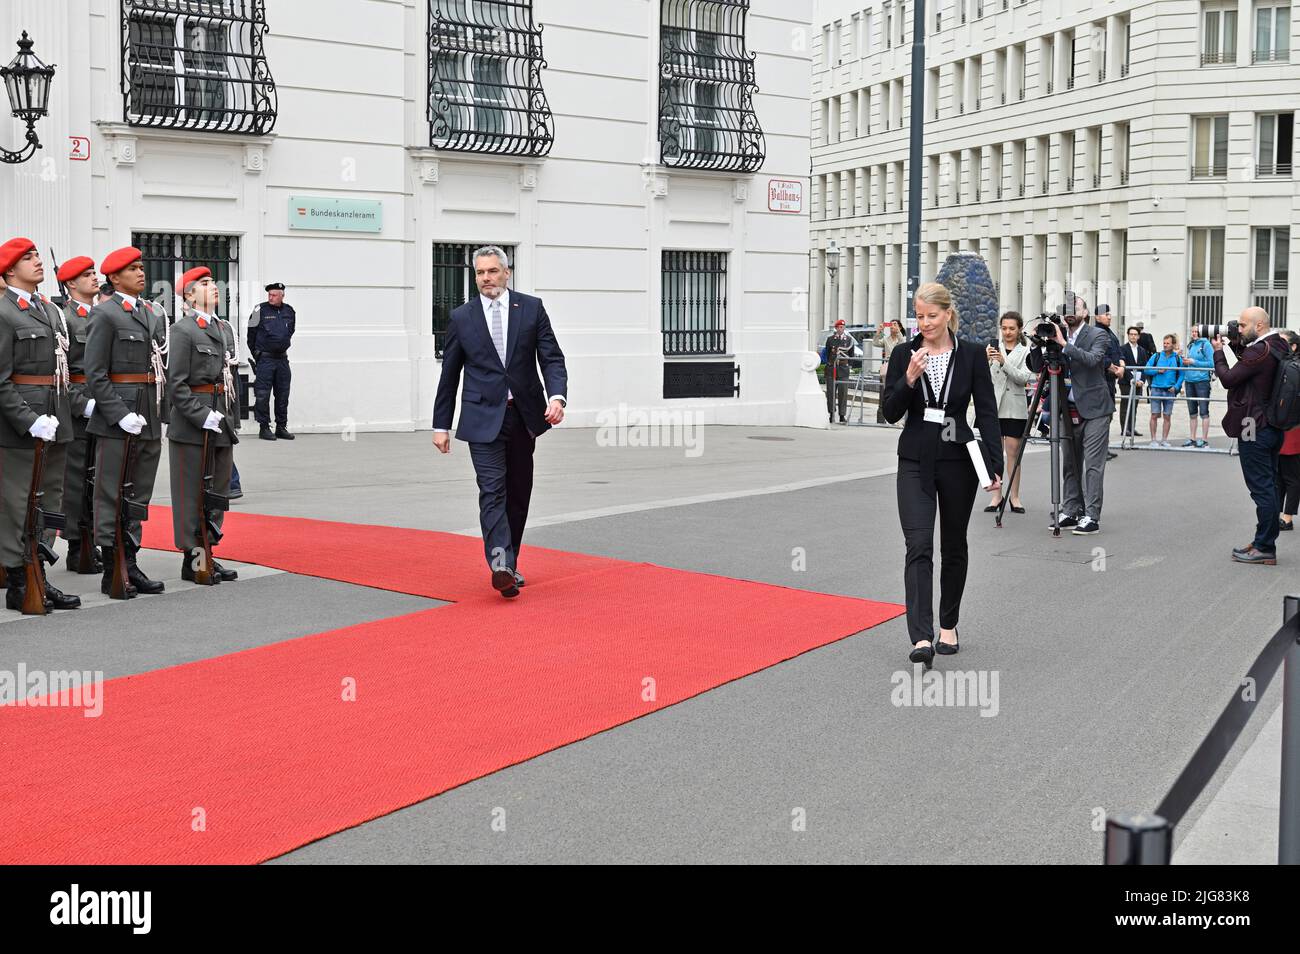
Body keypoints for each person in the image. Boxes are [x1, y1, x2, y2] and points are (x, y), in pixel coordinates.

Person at [432, 246, 568, 598]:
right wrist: (440, 425)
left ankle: (511, 561)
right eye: (480, 273)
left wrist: (556, 396)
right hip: (481, 418)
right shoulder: (463, 317)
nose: (486, 278)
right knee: (492, 490)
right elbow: (449, 374)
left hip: (523, 416)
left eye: (492, 271)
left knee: (518, 493)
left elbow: (551, 357)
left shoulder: (531, 308)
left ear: (507, 273)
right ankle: (500, 564)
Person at [883, 282, 1002, 667]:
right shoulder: (905, 353)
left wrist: (994, 466)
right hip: (915, 458)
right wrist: (909, 378)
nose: (924, 323)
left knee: (953, 545)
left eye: (931, 316)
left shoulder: (970, 356)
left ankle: (948, 623)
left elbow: (986, 412)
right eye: (919, 316)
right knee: (918, 545)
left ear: (948, 314)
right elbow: (890, 411)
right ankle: (920, 635)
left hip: (957, 459)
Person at [0, 238, 82, 610]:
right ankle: (20, 581)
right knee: (18, 504)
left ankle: (40, 575)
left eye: (36, 256)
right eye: (26, 258)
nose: (37, 262)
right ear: (9, 270)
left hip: (56, 419)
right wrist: (29, 421)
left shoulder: (50, 309)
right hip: (23, 427)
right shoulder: (4, 312)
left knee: (50, 501)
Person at [84, 245, 168, 597]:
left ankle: (130, 562)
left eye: (141, 266)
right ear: (114, 277)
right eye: (132, 268)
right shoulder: (105, 314)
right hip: (118, 417)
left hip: (147, 413)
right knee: (110, 492)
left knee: (138, 492)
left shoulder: (150, 312)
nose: (140, 272)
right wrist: (119, 414)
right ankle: (112, 568)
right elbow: (95, 373)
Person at [167, 267, 241, 585]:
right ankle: (194, 559)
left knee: (216, 492)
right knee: (191, 494)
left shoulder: (224, 329)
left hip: (220, 420)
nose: (214, 288)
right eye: (205, 284)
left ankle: (209, 551)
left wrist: (229, 420)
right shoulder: (183, 330)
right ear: (188, 295)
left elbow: (229, 379)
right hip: (193, 425)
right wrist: (200, 416)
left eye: (214, 283)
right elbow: (177, 384)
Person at [1212, 306, 1290, 565]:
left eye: (1243, 326)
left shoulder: (1259, 350)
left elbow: (1229, 378)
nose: (1238, 328)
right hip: (1271, 426)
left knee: (1262, 489)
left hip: (1253, 426)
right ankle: (1262, 541)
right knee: (1269, 485)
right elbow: (1251, 367)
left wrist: (1218, 352)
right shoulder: (1277, 344)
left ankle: (1265, 547)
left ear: (1259, 326)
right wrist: (1236, 346)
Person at [1051, 296, 1115, 535]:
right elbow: (1038, 366)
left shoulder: (1098, 335)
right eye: (1065, 309)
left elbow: (1092, 360)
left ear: (1085, 312)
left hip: (1096, 410)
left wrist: (1063, 344)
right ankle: (1070, 509)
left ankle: (1091, 515)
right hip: (1066, 410)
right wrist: (1042, 342)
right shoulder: (1057, 333)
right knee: (1069, 463)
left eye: (1074, 308)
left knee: (1093, 466)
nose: (1069, 313)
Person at [55, 255, 102, 573]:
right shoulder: (65, 320)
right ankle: (76, 545)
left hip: (106, 406)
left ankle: (96, 540)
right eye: (87, 275)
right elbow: (60, 372)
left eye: (95, 273)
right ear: (71, 283)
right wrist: (82, 404)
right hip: (79, 408)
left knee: (100, 479)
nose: (95, 278)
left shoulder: (103, 316)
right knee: (75, 481)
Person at [984, 311, 1031, 513]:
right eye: (1004, 328)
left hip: (1014, 407)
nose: (1007, 332)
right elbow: (980, 378)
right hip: (993, 406)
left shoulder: (1026, 351)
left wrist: (1004, 362)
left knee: (1013, 453)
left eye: (1012, 328)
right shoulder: (992, 348)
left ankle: (1015, 496)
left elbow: (1023, 378)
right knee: (995, 454)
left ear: (1019, 329)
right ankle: (997, 496)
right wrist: (985, 360)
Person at [248, 281, 295, 441]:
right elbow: (251, 335)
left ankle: (281, 426)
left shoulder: (289, 311)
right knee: (262, 395)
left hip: (282, 359)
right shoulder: (258, 310)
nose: (271, 297)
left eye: (274, 295)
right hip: (265, 360)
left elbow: (290, 332)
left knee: (283, 394)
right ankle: (264, 427)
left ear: (282, 295)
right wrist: (257, 354)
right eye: (269, 294)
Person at [1144, 334, 1184, 447]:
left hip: (1169, 390)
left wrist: (1176, 387)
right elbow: (1146, 370)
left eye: (1168, 343)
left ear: (1173, 344)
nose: (1165, 345)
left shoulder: (1177, 358)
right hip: (1156, 388)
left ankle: (1164, 440)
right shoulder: (1156, 356)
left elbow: (1182, 374)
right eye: (1164, 343)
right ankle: (1153, 440)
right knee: (1154, 415)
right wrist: (1157, 371)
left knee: (1167, 416)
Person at [1279, 331, 1300, 532]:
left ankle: (1288, 517)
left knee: (1292, 477)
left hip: (1293, 426)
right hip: (1281, 425)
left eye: (1282, 341)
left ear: (1293, 346)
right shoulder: (1282, 364)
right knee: (1279, 475)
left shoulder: (1295, 367)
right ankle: (1279, 514)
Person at [1181, 325, 1215, 447]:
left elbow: (1212, 364)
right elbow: (1188, 363)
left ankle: (1204, 440)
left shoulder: (1206, 345)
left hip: (1202, 381)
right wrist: (1184, 360)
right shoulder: (1191, 345)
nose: (1194, 333)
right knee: (1192, 412)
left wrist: (1193, 362)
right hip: (1189, 381)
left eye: (1196, 331)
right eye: (1193, 331)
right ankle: (1192, 438)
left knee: (1204, 411)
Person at [1118, 326, 1151, 437]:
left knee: (1134, 405)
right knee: (1125, 405)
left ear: (1138, 336)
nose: (1133, 336)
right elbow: (1123, 366)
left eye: (1135, 334)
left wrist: (1141, 381)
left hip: (1138, 383)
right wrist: (1132, 379)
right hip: (1126, 382)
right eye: (1131, 334)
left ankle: (1132, 428)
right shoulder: (1122, 349)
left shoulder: (1142, 350)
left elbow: (1144, 367)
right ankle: (1124, 429)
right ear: (1128, 335)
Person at [873, 320, 907, 422]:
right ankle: (885, 415)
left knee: (899, 390)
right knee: (887, 390)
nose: (892, 326)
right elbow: (875, 343)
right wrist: (878, 331)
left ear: (900, 327)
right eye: (891, 324)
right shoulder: (886, 339)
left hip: (898, 366)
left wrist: (898, 332)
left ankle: (899, 418)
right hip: (888, 365)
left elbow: (902, 343)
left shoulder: (901, 338)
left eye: (895, 324)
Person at [823, 318, 853, 423]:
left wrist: (849, 366)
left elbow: (851, 355)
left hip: (843, 369)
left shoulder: (849, 339)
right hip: (832, 369)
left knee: (843, 393)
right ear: (836, 328)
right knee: (831, 392)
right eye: (839, 327)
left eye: (843, 327)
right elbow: (827, 353)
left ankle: (842, 415)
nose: (841, 329)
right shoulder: (830, 339)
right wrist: (830, 363)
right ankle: (831, 414)